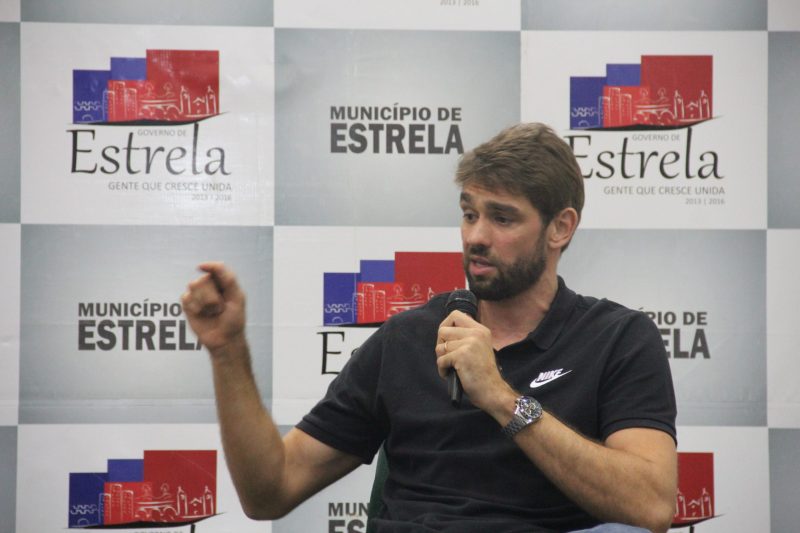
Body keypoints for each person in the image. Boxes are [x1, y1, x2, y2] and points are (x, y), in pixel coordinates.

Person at [181, 123, 677, 533]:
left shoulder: (617, 338)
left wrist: (502, 399)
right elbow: (271, 491)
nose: (476, 236)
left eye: (503, 219)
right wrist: (227, 352)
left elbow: (650, 506)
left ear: (560, 228)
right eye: (469, 214)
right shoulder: (407, 338)